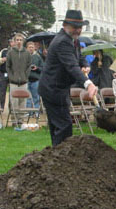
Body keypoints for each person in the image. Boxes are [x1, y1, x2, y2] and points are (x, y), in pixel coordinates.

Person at [38, 10, 97, 146]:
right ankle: (60, 159)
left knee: (59, 126)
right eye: (75, 27)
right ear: (65, 25)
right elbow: (71, 66)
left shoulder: (73, 40)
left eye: (80, 27)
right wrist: (88, 84)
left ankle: (56, 156)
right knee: (64, 126)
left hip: (60, 89)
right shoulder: (62, 41)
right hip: (53, 89)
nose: (78, 30)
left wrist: (86, 65)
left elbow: (79, 58)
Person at [6, 33, 32, 123]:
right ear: (14, 41)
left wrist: (26, 75)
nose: (19, 41)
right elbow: (8, 66)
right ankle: (14, 121)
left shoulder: (27, 53)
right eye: (17, 40)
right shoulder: (10, 53)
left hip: (24, 82)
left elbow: (29, 66)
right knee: (14, 101)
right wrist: (11, 76)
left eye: (20, 40)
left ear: (23, 41)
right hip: (13, 82)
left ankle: (21, 120)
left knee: (22, 101)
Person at [0, 39, 15, 109]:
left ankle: (12, 109)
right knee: (1, 92)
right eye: (12, 41)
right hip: (3, 74)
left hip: (14, 75)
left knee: (13, 92)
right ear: (10, 43)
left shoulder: (19, 52)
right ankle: (0, 108)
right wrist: (2, 60)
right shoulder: (4, 51)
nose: (13, 43)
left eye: (14, 41)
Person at [26, 41, 43, 116]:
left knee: (36, 97)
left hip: (35, 80)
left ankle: (36, 112)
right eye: (29, 47)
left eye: (32, 47)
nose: (31, 49)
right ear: (27, 48)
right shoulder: (24, 56)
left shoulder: (38, 57)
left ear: (34, 48)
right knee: (28, 97)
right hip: (26, 79)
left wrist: (37, 68)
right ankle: (29, 112)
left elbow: (43, 68)